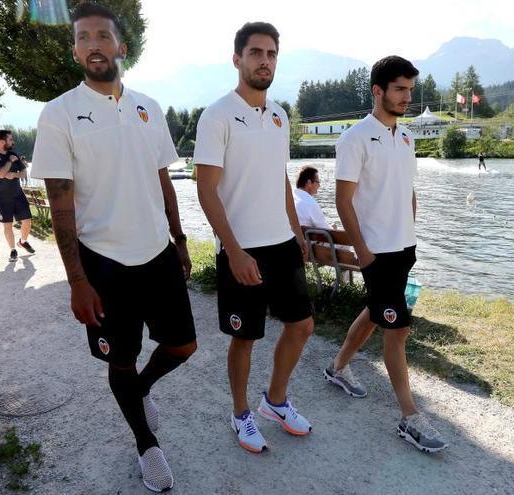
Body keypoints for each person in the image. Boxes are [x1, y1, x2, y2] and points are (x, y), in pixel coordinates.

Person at [30, 3, 196, 492]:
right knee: (119, 359)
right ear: (75, 49)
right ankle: (147, 444)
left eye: (104, 36)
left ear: (123, 47)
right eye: (83, 38)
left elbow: (163, 178)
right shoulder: (59, 113)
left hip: (158, 253)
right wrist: (77, 280)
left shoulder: (149, 106)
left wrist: (180, 239)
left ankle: (139, 390)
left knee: (183, 345)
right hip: (104, 262)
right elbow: (60, 201)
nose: (94, 44)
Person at [195, 21, 315, 455]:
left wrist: (296, 230)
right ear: (237, 59)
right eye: (256, 53)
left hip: (281, 243)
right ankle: (241, 412)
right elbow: (205, 188)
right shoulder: (218, 115)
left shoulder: (280, 114)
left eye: (271, 54)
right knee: (244, 336)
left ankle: (275, 402)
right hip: (241, 247)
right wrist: (233, 249)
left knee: (302, 326)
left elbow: (279, 177)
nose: (264, 61)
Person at [324, 56, 448, 453]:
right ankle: (410, 418)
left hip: (403, 246)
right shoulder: (355, 139)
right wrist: (362, 252)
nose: (407, 97)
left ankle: (337, 367)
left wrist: (410, 228)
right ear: (378, 91)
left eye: (410, 89)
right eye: (400, 89)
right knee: (398, 328)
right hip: (375, 251)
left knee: (378, 312)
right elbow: (343, 201)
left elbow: (408, 190)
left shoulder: (407, 137)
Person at [0, 130, 34, 262]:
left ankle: (23, 241)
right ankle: (13, 250)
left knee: (27, 220)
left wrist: (15, 175)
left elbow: (24, 172)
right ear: (2, 142)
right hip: (2, 197)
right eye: (10, 139)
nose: (13, 142)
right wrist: (9, 162)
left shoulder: (13, 154)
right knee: (8, 225)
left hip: (18, 194)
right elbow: (1, 174)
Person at [293, 166, 333, 230]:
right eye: (318, 182)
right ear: (309, 183)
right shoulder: (310, 203)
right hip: (307, 239)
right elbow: (326, 229)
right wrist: (333, 227)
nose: (319, 185)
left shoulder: (291, 198)